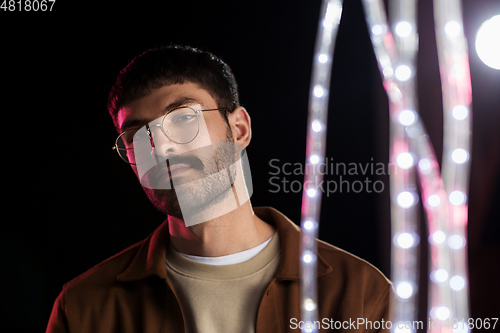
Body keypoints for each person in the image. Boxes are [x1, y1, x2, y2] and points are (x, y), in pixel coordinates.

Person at [46, 45, 392, 333]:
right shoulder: (83, 309)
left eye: (183, 119)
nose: (161, 148)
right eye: (138, 135)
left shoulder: (359, 292)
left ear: (239, 129)